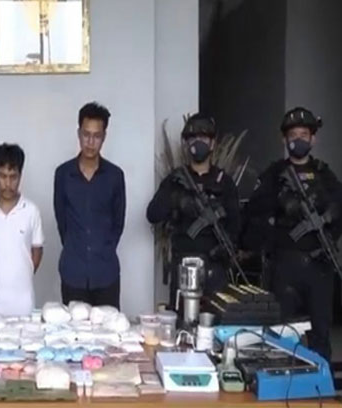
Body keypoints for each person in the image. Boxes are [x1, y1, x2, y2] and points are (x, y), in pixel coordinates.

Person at [244, 107, 342, 361]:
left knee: (321, 335)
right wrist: (281, 201)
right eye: (293, 135)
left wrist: (327, 219)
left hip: (319, 266)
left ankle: (321, 381)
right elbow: (253, 210)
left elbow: (339, 212)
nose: (298, 140)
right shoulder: (275, 174)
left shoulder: (324, 174)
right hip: (284, 266)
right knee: (282, 335)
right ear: (284, 140)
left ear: (313, 139)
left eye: (304, 135)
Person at [146, 114, 240, 308]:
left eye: (203, 138)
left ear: (212, 143)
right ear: (186, 144)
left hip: (214, 267)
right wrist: (177, 200)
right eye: (193, 138)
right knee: (183, 321)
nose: (198, 143)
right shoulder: (175, 180)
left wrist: (227, 248)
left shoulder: (224, 182)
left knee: (216, 322)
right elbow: (153, 214)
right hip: (183, 265)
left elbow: (237, 224)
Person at [53, 102, 126, 308]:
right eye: (86, 135)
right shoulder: (63, 174)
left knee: (109, 327)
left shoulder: (115, 176)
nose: (90, 142)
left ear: (104, 137)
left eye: (96, 136)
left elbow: (118, 223)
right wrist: (75, 248)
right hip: (73, 273)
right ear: (78, 134)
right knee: (74, 327)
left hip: (106, 274)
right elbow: (61, 221)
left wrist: (103, 250)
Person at [0, 144, 44, 315]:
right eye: (2, 176)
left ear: (20, 176)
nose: (8, 183)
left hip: (24, 303)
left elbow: (37, 252)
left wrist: (22, 275)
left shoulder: (31, 211)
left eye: (13, 177)